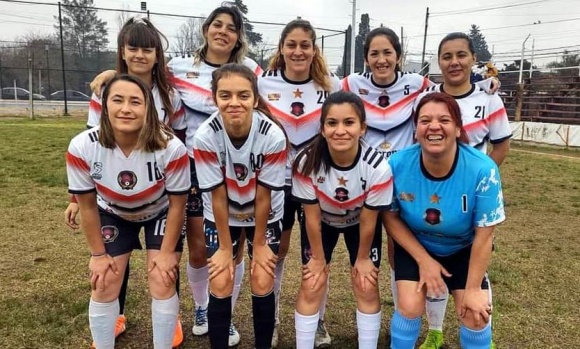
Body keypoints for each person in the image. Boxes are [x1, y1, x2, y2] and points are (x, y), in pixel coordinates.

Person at [90, 5, 262, 345]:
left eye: (231, 27)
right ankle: (201, 308)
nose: (223, 32)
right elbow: (136, 81)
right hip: (193, 168)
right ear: (206, 29)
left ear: (239, 36)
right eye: (217, 24)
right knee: (199, 246)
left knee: (235, 245)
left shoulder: (252, 69)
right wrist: (109, 76)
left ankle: (222, 312)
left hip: (236, 168)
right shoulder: (181, 66)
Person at [64, 17, 186, 348]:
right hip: (113, 205)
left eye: (148, 49)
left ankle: (168, 322)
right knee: (105, 278)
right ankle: (111, 320)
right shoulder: (85, 142)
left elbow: (177, 203)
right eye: (133, 48)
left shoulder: (170, 104)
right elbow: (90, 184)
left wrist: (166, 253)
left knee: (162, 274)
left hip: (160, 198)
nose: (126, 109)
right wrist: (95, 251)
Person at [414, 33, 511, 348]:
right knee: (433, 264)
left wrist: (479, 181)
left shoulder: (489, 99)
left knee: (475, 265)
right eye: (447, 56)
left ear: (472, 60)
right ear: (439, 61)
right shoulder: (424, 96)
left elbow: (501, 145)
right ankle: (435, 331)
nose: (454, 62)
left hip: (472, 201)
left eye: (461, 55)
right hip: (431, 197)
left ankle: (482, 334)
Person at [386, 92, 505, 349]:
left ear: (458, 127)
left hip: (463, 249)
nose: (434, 127)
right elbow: (391, 217)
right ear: (416, 129)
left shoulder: (483, 170)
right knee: (408, 305)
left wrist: (473, 289)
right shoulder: (396, 164)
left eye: (444, 120)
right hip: (417, 245)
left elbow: (485, 235)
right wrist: (424, 260)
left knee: (475, 314)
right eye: (425, 120)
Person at [258, 18, 341, 347]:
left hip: (316, 186)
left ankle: (318, 321)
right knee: (276, 253)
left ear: (314, 49)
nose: (298, 51)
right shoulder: (262, 83)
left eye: (305, 45)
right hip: (276, 185)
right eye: (291, 44)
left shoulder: (330, 84)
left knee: (317, 256)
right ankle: (273, 319)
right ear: (281, 49)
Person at [193, 63, 287, 349]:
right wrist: (223, 248)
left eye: (243, 95)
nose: (234, 102)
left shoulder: (273, 135)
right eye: (225, 95)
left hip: (264, 210)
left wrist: (259, 244)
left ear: (255, 99)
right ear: (215, 98)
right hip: (224, 211)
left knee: (262, 277)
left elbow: (264, 195)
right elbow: (217, 196)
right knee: (220, 279)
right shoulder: (205, 136)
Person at [291, 91, 393, 349]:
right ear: (323, 129)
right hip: (322, 221)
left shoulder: (378, 167)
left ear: (362, 128)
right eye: (332, 123)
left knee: (365, 283)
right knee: (312, 282)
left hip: (359, 223)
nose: (340, 130)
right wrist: (317, 258)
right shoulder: (306, 162)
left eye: (349, 123)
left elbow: (370, 220)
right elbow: (311, 216)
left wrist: (362, 259)